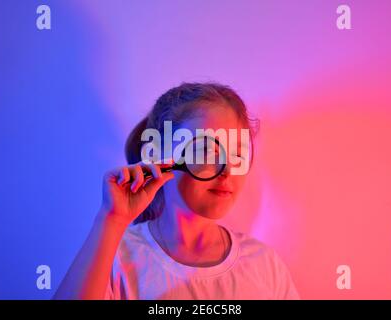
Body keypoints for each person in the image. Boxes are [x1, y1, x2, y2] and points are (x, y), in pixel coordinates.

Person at [54, 82, 299, 300]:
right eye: (205, 150)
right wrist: (111, 219)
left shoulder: (264, 265)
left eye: (237, 155)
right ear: (159, 156)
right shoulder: (111, 257)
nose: (226, 171)